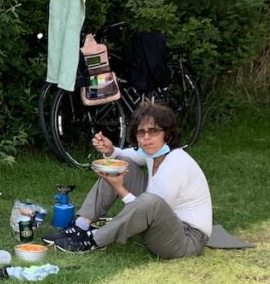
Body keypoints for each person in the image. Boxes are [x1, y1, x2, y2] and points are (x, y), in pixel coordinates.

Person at [45, 102, 212, 258]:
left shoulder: (176, 164)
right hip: (164, 225)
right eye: (141, 132)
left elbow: (150, 210)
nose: (146, 137)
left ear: (167, 135)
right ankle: (81, 225)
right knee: (120, 165)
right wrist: (110, 150)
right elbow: (122, 156)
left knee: (150, 201)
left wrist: (120, 189)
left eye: (153, 131)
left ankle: (93, 240)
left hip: (186, 239)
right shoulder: (154, 153)